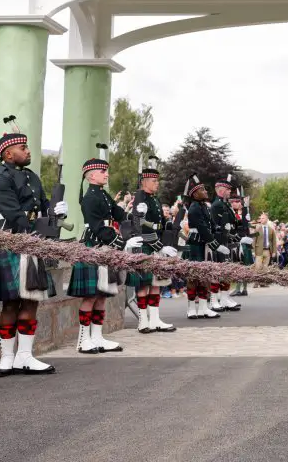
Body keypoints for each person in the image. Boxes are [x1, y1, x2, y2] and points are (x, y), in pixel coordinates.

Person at [0, 118, 67, 376]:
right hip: (13, 239)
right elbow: (13, 212)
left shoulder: (32, 176)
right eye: (23, 148)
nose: (28, 151)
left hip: (33, 240)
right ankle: (7, 357)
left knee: (31, 301)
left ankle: (25, 356)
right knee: (10, 303)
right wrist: (36, 239)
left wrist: (56, 210)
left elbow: (42, 205)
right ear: (8, 153)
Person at [67, 144, 137, 353]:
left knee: (101, 295)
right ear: (90, 176)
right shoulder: (90, 198)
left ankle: (97, 337)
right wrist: (121, 243)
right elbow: (97, 227)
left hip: (104, 247)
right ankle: (83, 340)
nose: (106, 174)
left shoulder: (104, 195)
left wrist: (135, 218)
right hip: (94, 246)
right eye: (102, 171)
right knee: (90, 295)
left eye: (106, 171)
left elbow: (118, 214)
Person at [126, 156, 178, 333]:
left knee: (156, 283)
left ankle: (155, 319)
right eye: (154, 181)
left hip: (155, 244)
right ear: (144, 181)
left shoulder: (154, 199)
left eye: (158, 181)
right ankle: (143, 321)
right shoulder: (141, 198)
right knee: (143, 285)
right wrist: (158, 246)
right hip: (145, 245)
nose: (157, 184)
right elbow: (139, 226)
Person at [184, 177, 226, 319]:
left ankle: (203, 307)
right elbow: (202, 229)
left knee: (204, 277)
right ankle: (191, 308)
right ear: (195, 194)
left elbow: (212, 225)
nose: (206, 191)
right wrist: (216, 245)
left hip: (203, 244)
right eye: (202, 189)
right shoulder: (194, 208)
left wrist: (224, 233)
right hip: (195, 245)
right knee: (193, 277)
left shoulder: (204, 206)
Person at [209, 178, 242, 312]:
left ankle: (224, 298)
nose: (230, 192)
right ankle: (213, 300)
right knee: (216, 272)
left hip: (226, 240)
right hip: (219, 241)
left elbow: (231, 222)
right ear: (221, 190)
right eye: (228, 189)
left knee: (226, 272)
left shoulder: (225, 204)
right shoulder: (216, 205)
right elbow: (215, 225)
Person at [228, 192, 252, 296]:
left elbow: (246, 227)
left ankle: (244, 289)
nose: (236, 203)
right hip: (237, 243)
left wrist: (246, 208)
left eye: (237, 201)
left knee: (244, 266)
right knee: (238, 266)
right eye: (234, 202)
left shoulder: (244, 214)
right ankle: (238, 288)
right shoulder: (233, 214)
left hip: (243, 244)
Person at [252, 212, 276, 286]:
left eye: (263, 218)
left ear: (267, 219)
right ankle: (256, 282)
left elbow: (274, 241)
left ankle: (263, 283)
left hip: (267, 250)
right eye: (260, 218)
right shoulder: (257, 229)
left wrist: (274, 251)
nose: (261, 219)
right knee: (258, 266)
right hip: (259, 250)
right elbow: (254, 240)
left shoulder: (271, 230)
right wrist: (253, 251)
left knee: (265, 267)